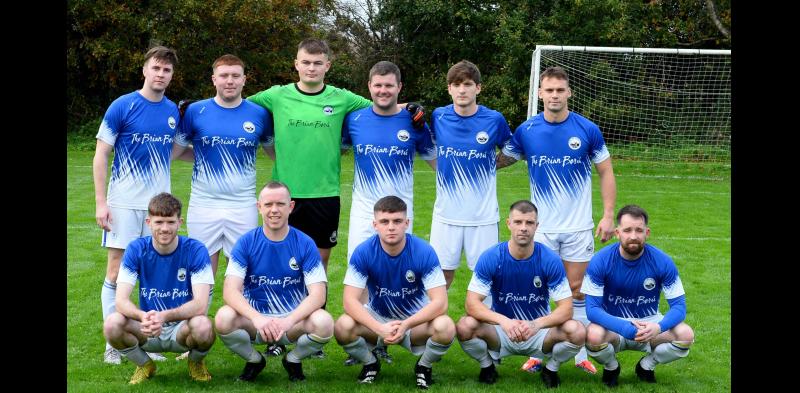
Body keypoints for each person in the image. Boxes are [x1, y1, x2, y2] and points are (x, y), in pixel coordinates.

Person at [497, 66, 617, 374]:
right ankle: (540, 352)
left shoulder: (587, 129)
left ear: (569, 93)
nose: (554, 95)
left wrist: (606, 215)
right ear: (540, 94)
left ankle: (579, 356)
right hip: (541, 228)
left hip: (578, 227)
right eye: (549, 90)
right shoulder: (527, 130)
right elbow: (502, 160)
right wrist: (468, 152)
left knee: (577, 289)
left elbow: (605, 171)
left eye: (560, 90)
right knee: (540, 290)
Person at [340, 60, 437, 366]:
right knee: (362, 277)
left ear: (399, 88)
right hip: (363, 212)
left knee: (394, 275)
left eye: (389, 85)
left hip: (399, 214)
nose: (383, 90)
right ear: (369, 87)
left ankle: (396, 332)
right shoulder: (354, 119)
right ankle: (372, 339)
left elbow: (436, 162)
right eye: (378, 85)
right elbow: (334, 148)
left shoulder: (415, 122)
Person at [94, 45, 180, 364]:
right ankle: (113, 343)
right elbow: (101, 153)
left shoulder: (172, 111)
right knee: (117, 271)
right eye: (156, 68)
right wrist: (102, 202)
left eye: (166, 70)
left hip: (157, 208)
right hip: (123, 204)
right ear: (144, 70)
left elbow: (174, 151)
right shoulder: (123, 105)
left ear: (172, 76)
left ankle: (145, 341)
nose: (160, 74)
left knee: (150, 273)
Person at [171, 53, 272, 304]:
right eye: (224, 76)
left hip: (243, 205)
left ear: (244, 80)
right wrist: (207, 156)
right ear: (214, 79)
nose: (230, 81)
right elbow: (174, 151)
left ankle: (244, 332)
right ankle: (193, 334)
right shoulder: (195, 111)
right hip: (203, 204)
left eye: (235, 76)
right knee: (200, 272)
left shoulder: (259, 114)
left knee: (246, 273)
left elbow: (276, 154)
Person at [456, 200, 585, 389]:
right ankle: (487, 366)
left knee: (577, 331)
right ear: (508, 223)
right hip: (501, 331)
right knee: (464, 326)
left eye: (529, 223)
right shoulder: (492, 257)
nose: (523, 228)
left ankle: (551, 369)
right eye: (518, 222)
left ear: (537, 226)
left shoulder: (550, 259)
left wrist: (536, 324)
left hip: (538, 332)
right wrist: (504, 321)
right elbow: (471, 304)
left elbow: (566, 309)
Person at [214, 181, 334, 383]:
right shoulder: (246, 242)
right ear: (259, 207)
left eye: (280, 204)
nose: (274, 210)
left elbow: (318, 294)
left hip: (291, 323)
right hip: (256, 323)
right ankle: (254, 360)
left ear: (291, 207)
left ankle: (293, 359)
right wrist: (257, 318)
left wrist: (289, 321)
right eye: (268, 205)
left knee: (324, 322)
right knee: (223, 318)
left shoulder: (305, 243)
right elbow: (230, 291)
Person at [334, 196, 455, 389]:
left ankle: (423, 367)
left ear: (407, 223)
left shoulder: (424, 251)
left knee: (446, 326)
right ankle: (370, 363)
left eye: (397, 221)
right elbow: (349, 301)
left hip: (414, 322)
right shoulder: (363, 252)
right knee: (342, 326)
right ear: (375, 225)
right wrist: (379, 328)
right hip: (378, 321)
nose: (391, 227)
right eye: (384, 221)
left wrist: (406, 324)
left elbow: (440, 302)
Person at [102, 193, 215, 384]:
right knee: (112, 324)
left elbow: (201, 305)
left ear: (180, 222)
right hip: (148, 328)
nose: (164, 228)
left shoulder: (196, 250)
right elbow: (120, 300)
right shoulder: (136, 249)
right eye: (159, 222)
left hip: (181, 329)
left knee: (203, 326)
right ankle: (145, 364)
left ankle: (195, 362)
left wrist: (163, 316)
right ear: (149, 222)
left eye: (170, 222)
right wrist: (143, 317)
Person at [580, 205, 694, 387]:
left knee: (685, 335)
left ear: (647, 232)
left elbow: (679, 307)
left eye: (639, 230)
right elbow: (592, 310)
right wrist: (624, 328)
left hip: (649, 323)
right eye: (627, 230)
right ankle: (611, 367)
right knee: (593, 336)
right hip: (614, 324)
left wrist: (658, 326)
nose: (633, 236)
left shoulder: (662, 261)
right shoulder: (600, 260)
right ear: (617, 232)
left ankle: (646, 366)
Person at [429, 60, 512, 290]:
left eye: (467, 84)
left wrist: (491, 165)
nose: (462, 90)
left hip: (482, 218)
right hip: (445, 216)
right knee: (440, 279)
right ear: (449, 89)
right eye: (456, 84)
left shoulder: (494, 119)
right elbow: (428, 148)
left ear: (478, 88)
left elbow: (513, 149)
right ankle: (437, 326)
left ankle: (482, 326)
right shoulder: (439, 116)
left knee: (486, 280)